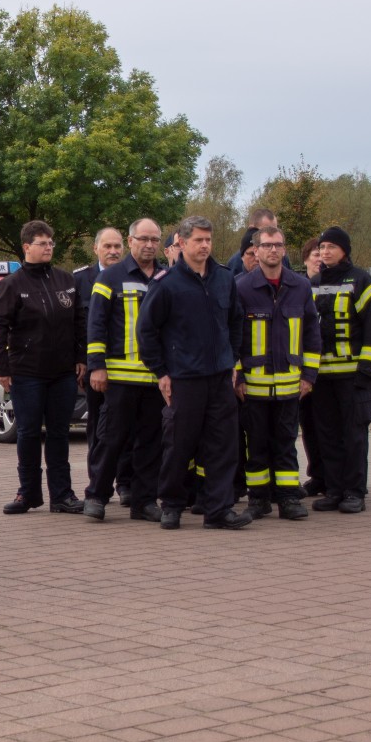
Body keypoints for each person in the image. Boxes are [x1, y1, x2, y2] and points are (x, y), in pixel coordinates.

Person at [137, 215, 251, 530]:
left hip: (219, 378)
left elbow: (236, 322)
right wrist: (161, 372)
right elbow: (146, 332)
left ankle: (218, 510)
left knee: (223, 446)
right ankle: (172, 505)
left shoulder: (224, 279)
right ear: (182, 243)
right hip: (183, 379)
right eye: (198, 240)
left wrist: (232, 360)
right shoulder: (166, 284)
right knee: (178, 445)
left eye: (208, 240)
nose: (204, 245)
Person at [0, 220, 85, 515]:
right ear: (26, 247)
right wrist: (2, 368)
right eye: (42, 243)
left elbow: (79, 321)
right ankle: (28, 493)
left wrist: (81, 358)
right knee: (29, 433)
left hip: (62, 373)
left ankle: (62, 495)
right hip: (27, 372)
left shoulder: (65, 280)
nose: (48, 248)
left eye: (50, 243)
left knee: (59, 433)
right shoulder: (11, 285)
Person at [233, 226, 320, 521]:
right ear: (255, 251)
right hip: (253, 387)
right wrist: (238, 376)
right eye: (267, 245)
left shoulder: (300, 286)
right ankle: (258, 500)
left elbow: (311, 333)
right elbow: (233, 337)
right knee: (255, 445)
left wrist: (309, 374)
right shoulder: (241, 287)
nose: (273, 250)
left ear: (285, 250)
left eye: (278, 245)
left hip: (290, 386)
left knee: (286, 445)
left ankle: (287, 499)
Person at [83, 218, 164, 521]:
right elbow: (97, 324)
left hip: (155, 378)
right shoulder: (110, 277)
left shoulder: (166, 277)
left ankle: (143, 501)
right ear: (131, 241)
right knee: (111, 439)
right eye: (143, 239)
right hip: (118, 377)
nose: (149, 245)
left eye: (155, 239)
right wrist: (96, 367)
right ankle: (97, 497)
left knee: (150, 442)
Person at [308, 226, 371, 515]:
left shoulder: (361, 280)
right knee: (327, 435)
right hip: (322, 376)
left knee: (353, 435)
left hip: (352, 376)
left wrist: (367, 367)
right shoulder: (313, 283)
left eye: (331, 247)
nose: (325, 252)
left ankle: (354, 492)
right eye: (322, 247)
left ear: (345, 250)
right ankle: (334, 489)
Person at [73, 227, 133, 504]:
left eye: (117, 246)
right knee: (99, 428)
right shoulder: (79, 280)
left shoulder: (130, 277)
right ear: (95, 248)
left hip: (127, 370)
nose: (113, 251)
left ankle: (126, 483)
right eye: (107, 246)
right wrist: (81, 361)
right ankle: (98, 484)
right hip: (95, 369)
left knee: (128, 429)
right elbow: (77, 327)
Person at [297, 237, 326, 497]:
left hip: (330, 370)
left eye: (323, 253)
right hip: (303, 370)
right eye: (315, 253)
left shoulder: (337, 284)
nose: (320, 257)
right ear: (306, 258)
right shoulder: (299, 286)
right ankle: (317, 474)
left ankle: (334, 475)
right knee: (309, 427)